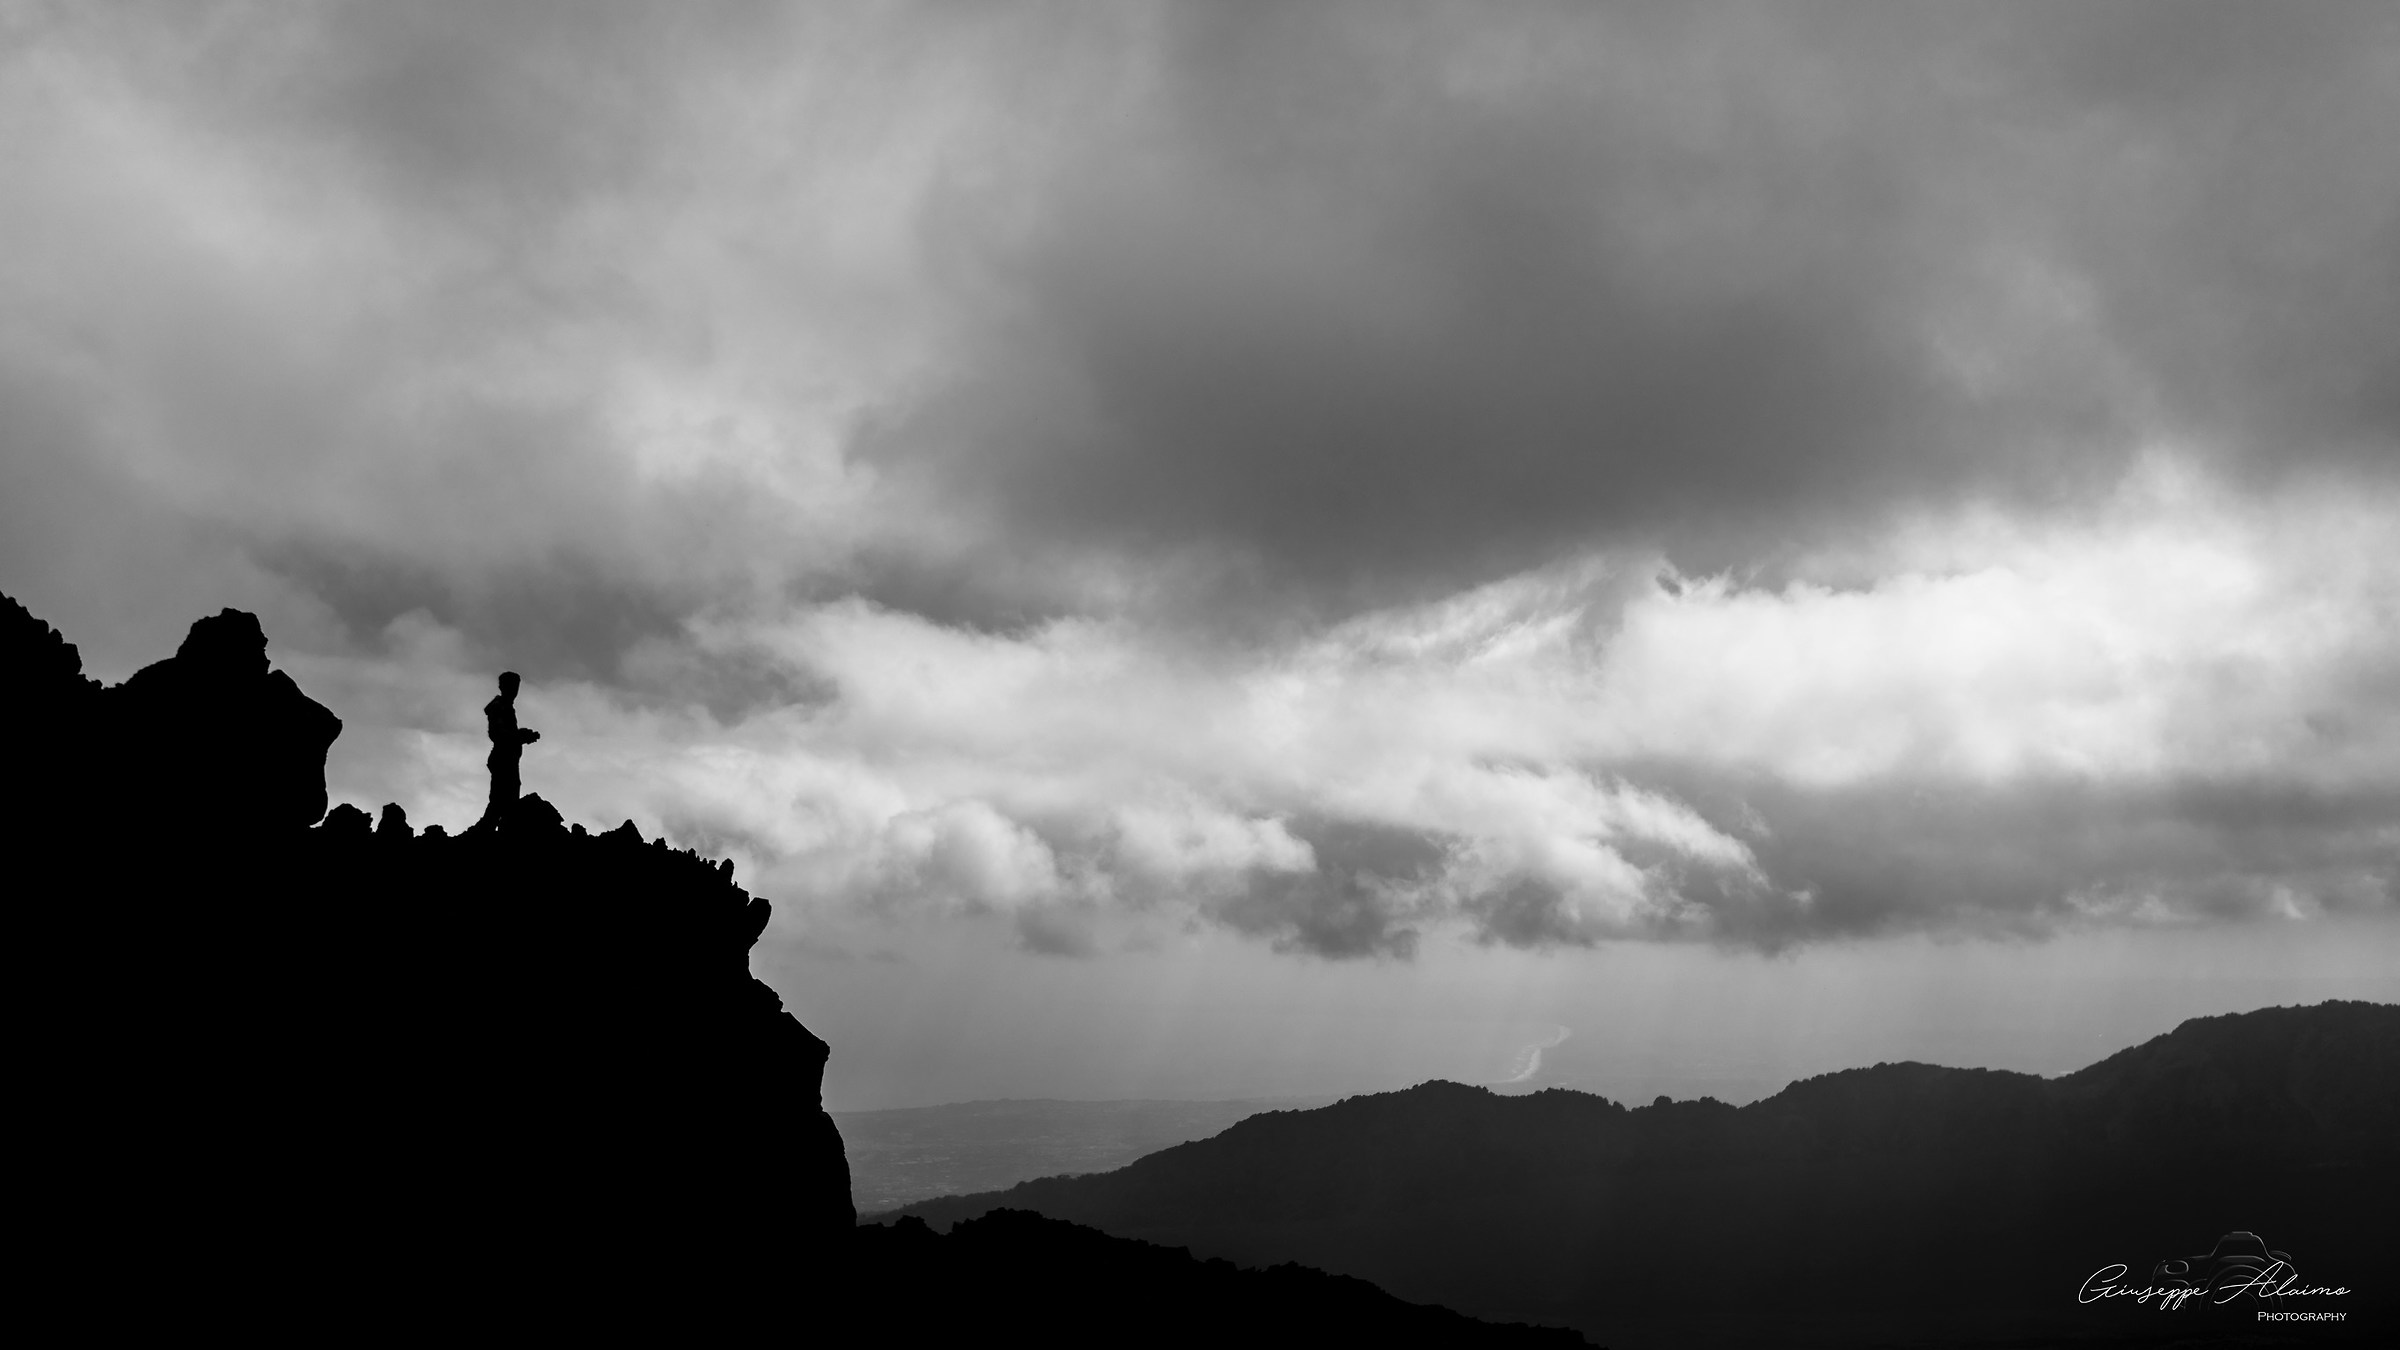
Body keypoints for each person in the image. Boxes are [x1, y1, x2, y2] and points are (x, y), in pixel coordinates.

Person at [478, 671, 540, 828]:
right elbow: (498, 734)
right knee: (500, 801)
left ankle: (494, 832)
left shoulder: (506, 707)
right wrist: (520, 737)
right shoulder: (499, 707)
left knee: (506, 802)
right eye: (511, 685)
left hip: (508, 759)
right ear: (502, 687)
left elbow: (506, 734)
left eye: (516, 686)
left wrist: (522, 735)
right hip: (503, 759)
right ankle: (484, 834)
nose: (514, 690)